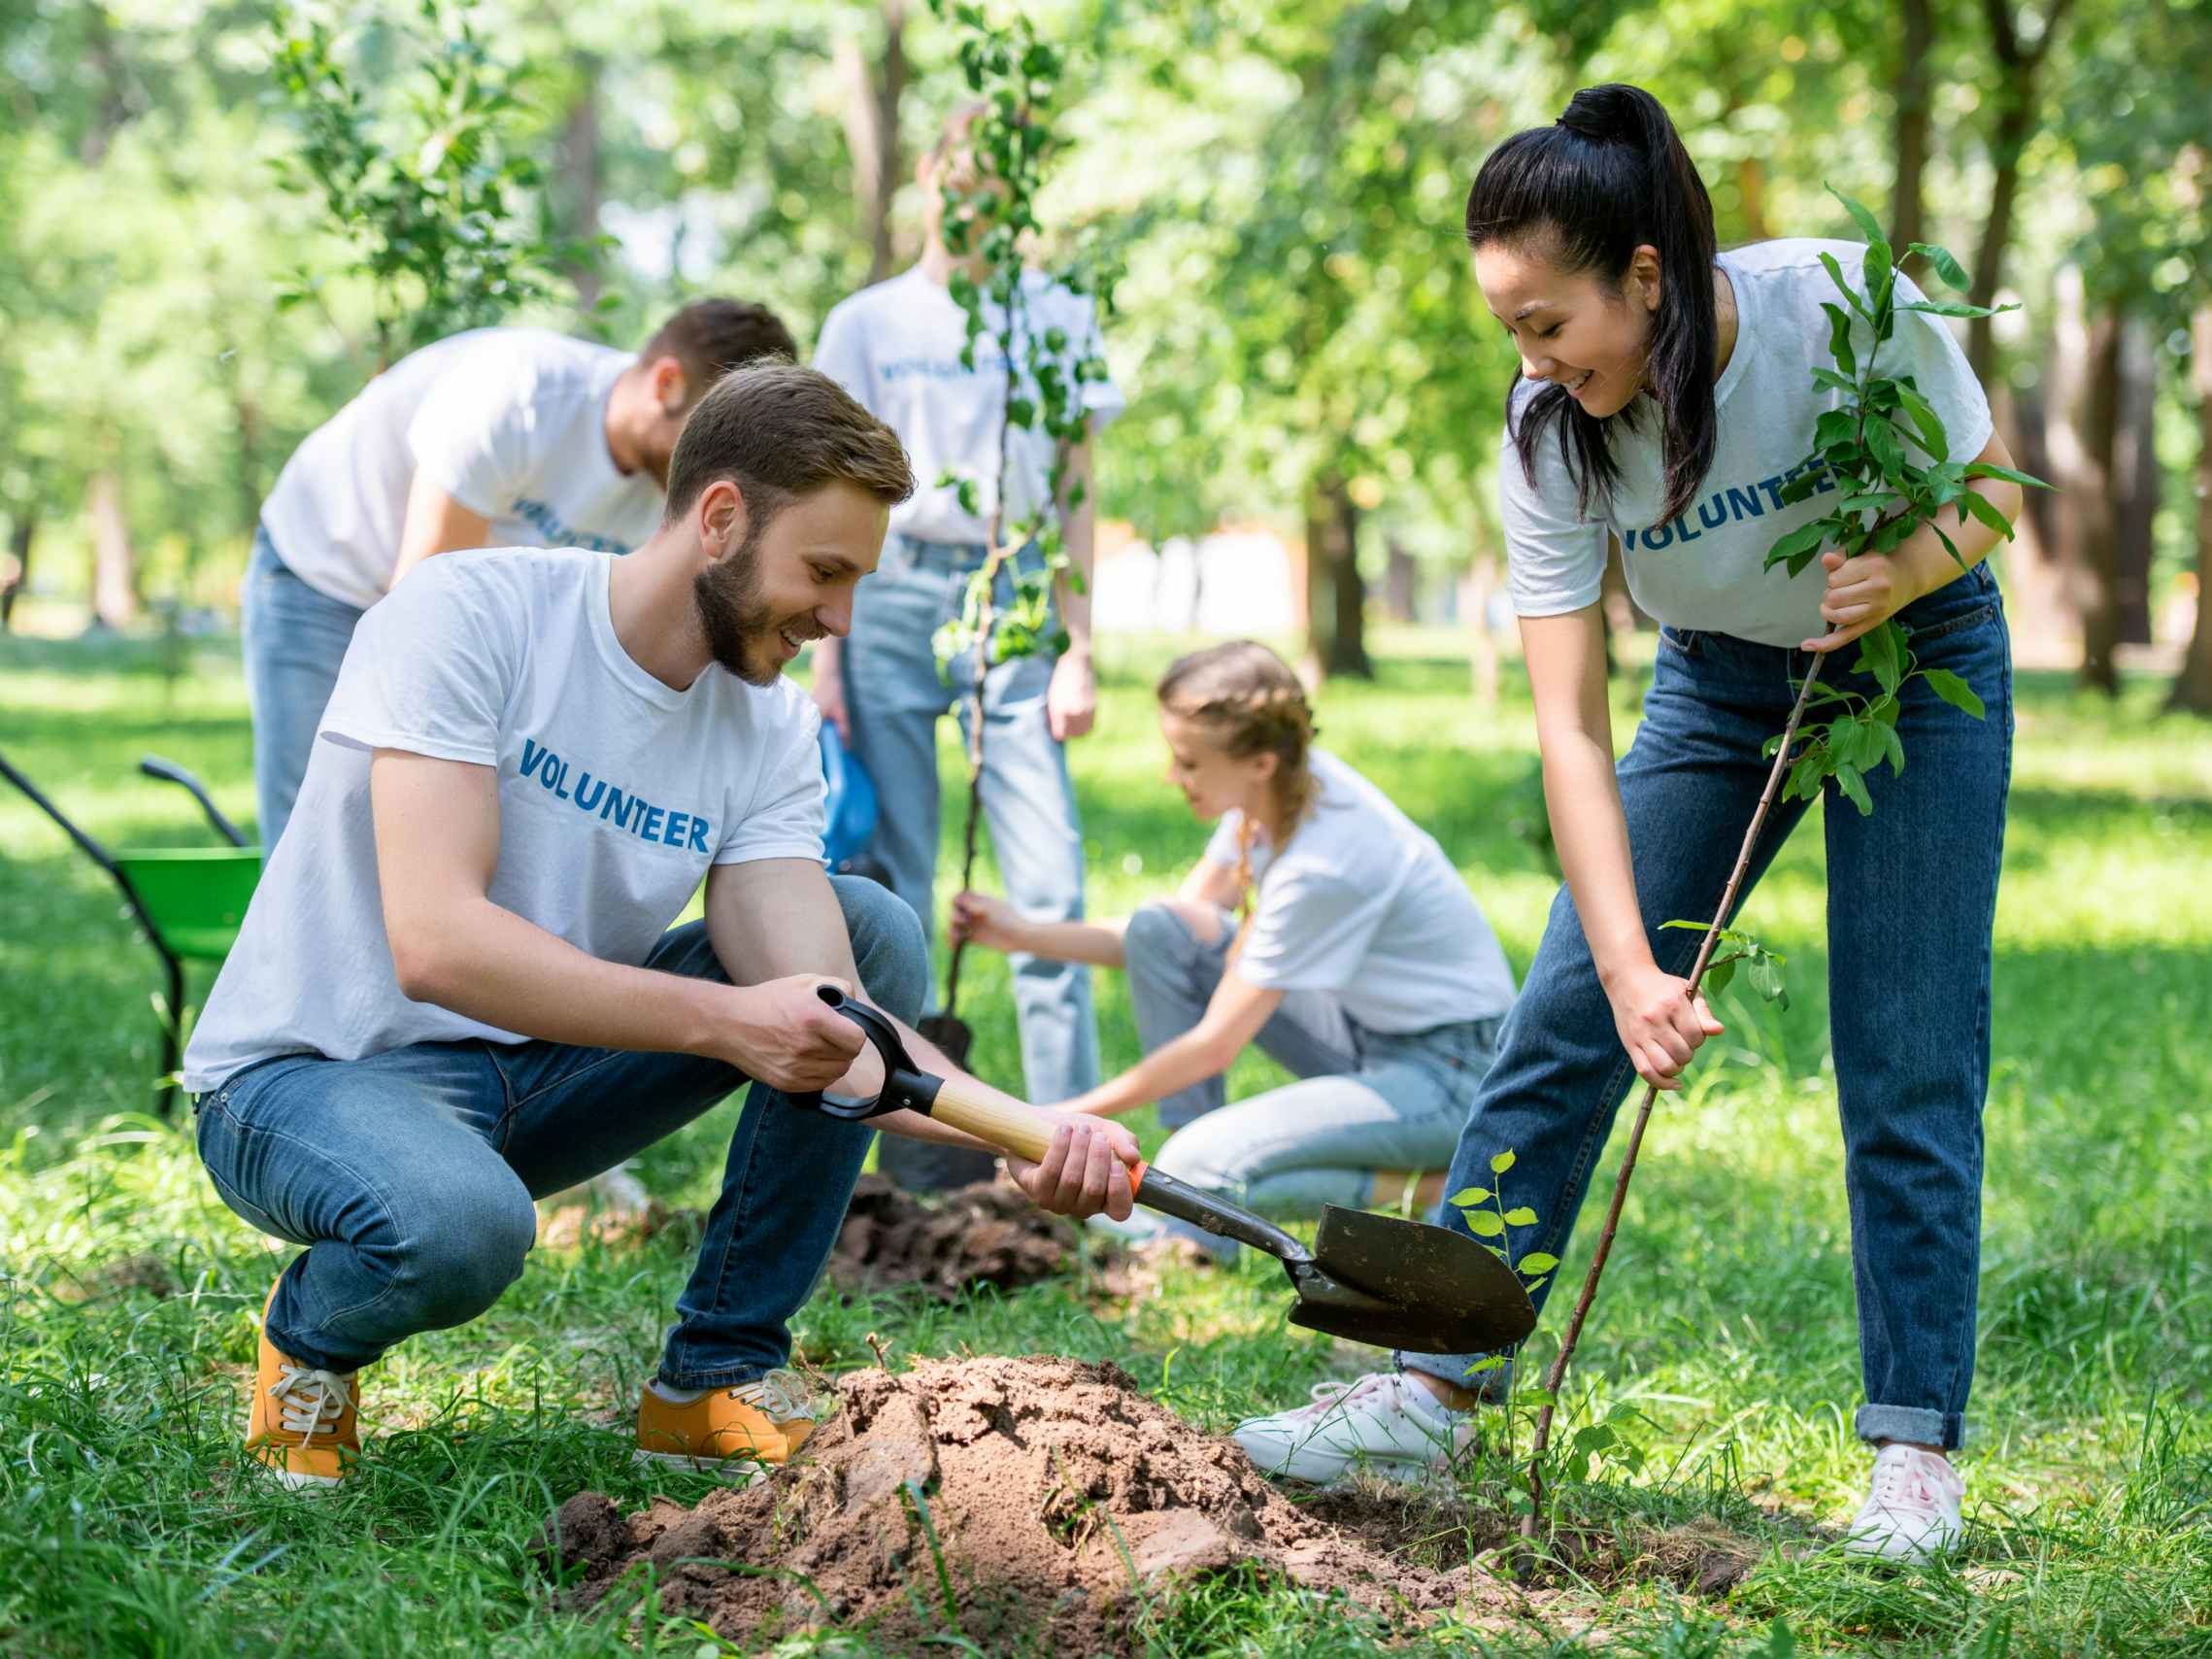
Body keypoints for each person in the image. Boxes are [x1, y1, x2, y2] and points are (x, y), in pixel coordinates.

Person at [1229, 85, 2021, 1566]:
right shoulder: (1551, 436)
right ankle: (1424, 1382)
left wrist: (1904, 571)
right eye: (1510, 331)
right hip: (1716, 687)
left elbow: (1990, 491)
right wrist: (1626, 968)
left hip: (1915, 670)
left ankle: (1914, 1455)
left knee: (1906, 1048)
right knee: (1554, 1024)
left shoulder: (1838, 311)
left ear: (1643, 276)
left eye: (1546, 323)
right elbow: (1569, 730)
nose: (1530, 361)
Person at [182, 363, 1141, 1491]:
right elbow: (435, 941)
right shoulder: (471, 612)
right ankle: (309, 1345)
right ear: (721, 518)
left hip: (533, 1082)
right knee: (460, 1228)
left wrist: (1024, 1135)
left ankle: (713, 1380)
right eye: (824, 572)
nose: (837, 620)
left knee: (868, 924)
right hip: (306, 1081)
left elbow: (839, 1018)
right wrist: (728, 1022)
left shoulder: (769, 727)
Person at [950, 641, 1517, 1245]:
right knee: (1161, 928)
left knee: (1204, 1168)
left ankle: (1421, 1187)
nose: (1173, 776)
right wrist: (1021, 935)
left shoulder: (1326, 861)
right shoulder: (1274, 795)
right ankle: (1180, 1196)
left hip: (1451, 1075)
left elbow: (1212, 1046)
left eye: (1189, 763)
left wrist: (1054, 1123)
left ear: (1260, 761)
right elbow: (1169, 931)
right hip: (1362, 1035)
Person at [809, 104, 1122, 1117]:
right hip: (890, 586)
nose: (976, 196)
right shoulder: (867, 322)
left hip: (1016, 586)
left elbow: (1076, 487)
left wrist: (1077, 644)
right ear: (931, 174)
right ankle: (891, 1115)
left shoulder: (1059, 314)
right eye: (961, 172)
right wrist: (825, 653)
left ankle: (1061, 1132)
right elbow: (823, 481)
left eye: (1002, 179)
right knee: (893, 878)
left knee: (1046, 879)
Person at [245, 299, 797, 850]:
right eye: (712, 439)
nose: (719, 471)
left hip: (446, 603)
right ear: (667, 383)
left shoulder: (679, 491)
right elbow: (418, 603)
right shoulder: (522, 394)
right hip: (326, 568)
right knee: (323, 819)